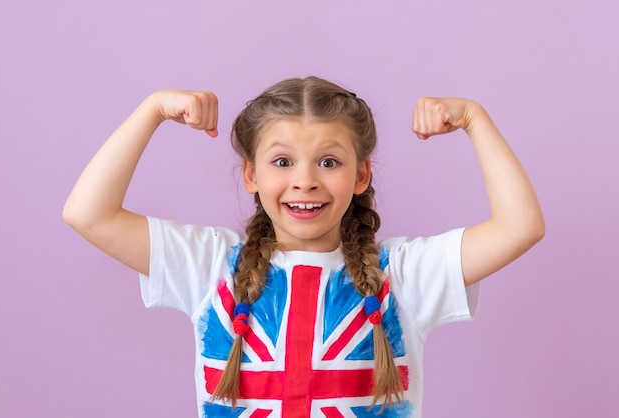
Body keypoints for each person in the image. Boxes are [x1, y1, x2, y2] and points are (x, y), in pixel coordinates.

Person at [63, 76, 544, 417]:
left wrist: (475, 119)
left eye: (329, 161)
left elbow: (519, 227)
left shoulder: (403, 272)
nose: (305, 181)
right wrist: (152, 110)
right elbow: (88, 214)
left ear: (361, 176)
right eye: (282, 162)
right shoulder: (210, 265)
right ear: (251, 175)